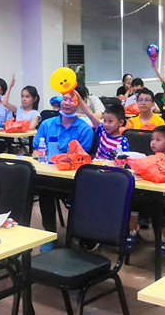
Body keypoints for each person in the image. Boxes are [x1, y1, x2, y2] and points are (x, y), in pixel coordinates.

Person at [34, 89, 95, 250]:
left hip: (72, 178)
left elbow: (82, 158)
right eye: (64, 99)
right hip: (49, 174)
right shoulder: (47, 124)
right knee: (44, 191)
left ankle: (79, 233)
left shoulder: (85, 129)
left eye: (71, 100)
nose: (67, 103)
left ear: (80, 104)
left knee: (80, 197)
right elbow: (36, 150)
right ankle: (49, 234)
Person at [126, 126, 165, 256]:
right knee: (132, 201)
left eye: (158, 140)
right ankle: (133, 234)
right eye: (152, 139)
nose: (153, 142)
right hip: (149, 194)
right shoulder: (148, 159)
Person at [76, 95, 128, 160]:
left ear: (121, 122)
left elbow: (122, 162)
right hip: (95, 165)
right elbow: (90, 114)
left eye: (110, 121)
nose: (106, 124)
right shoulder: (103, 131)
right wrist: (79, 98)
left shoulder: (122, 142)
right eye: (104, 120)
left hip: (109, 166)